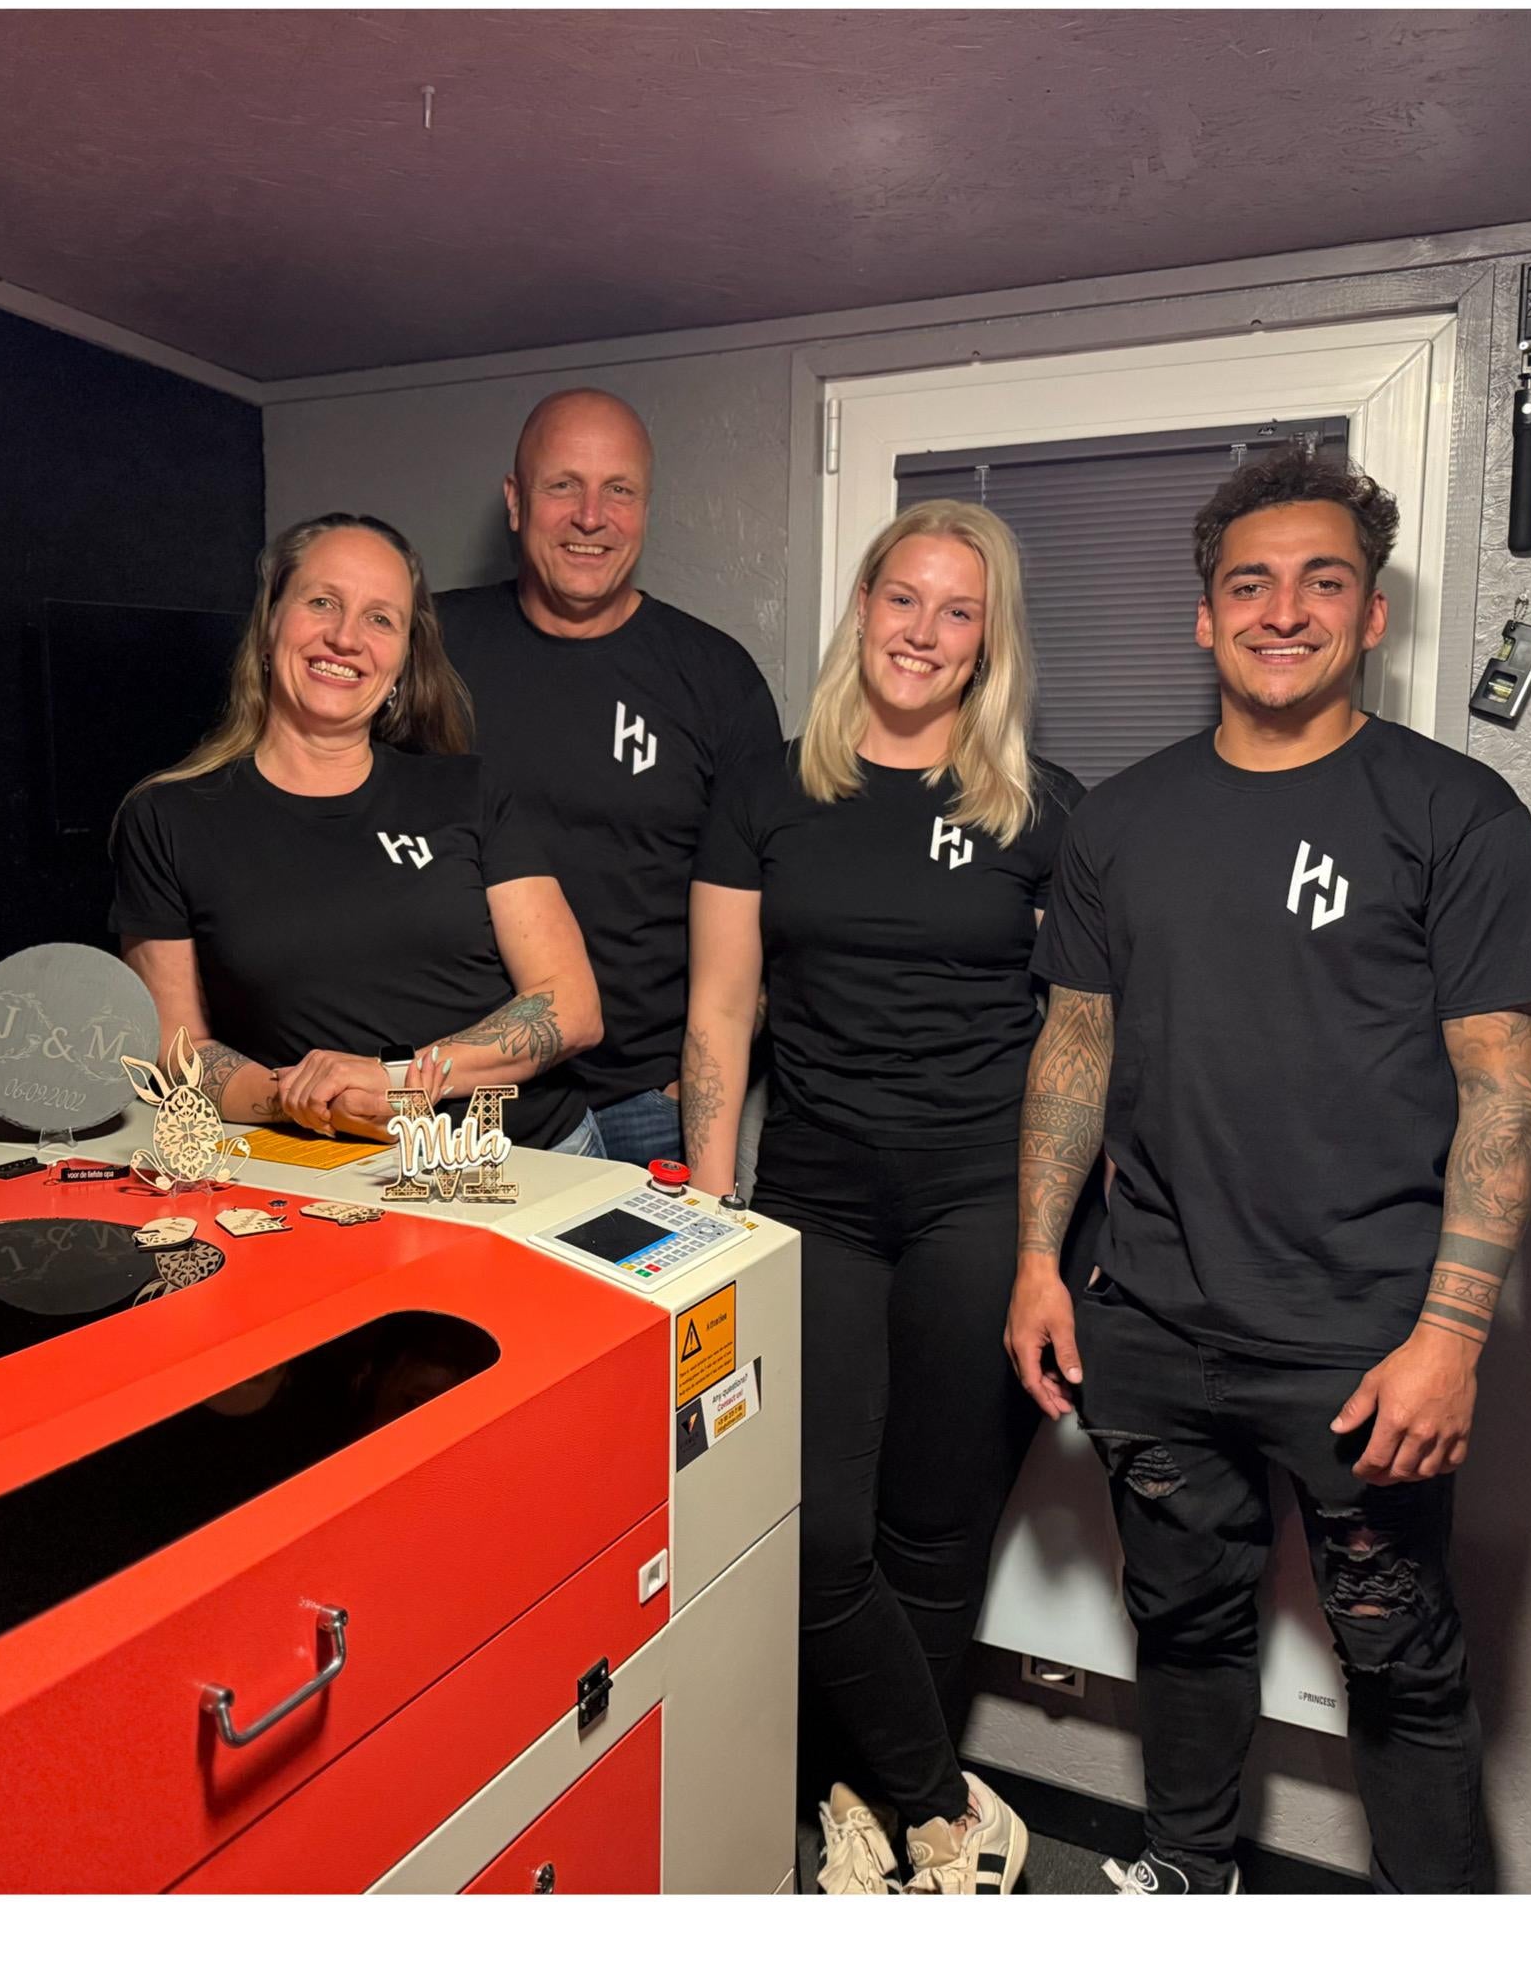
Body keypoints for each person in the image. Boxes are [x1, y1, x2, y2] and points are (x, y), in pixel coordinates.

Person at [1005, 447, 1531, 1895]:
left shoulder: (1455, 813)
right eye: (1249, 584)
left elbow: (1504, 1086)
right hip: (1151, 1323)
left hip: (1366, 1345)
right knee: (1184, 1627)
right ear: (1205, 616)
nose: (1283, 610)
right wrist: (1036, 1263)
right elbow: (1075, 1046)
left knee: (1400, 1663)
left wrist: (1451, 1337)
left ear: (1370, 615)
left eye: (1323, 582)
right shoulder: (1120, 821)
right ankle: (1189, 1874)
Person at [683, 499, 1090, 1896]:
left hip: (981, 1199)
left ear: (988, 640)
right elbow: (720, 1010)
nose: (924, 630)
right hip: (817, 1198)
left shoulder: (1040, 808)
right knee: (812, 1535)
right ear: (862, 607)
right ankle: (944, 1807)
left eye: (957, 610)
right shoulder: (766, 788)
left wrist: (1050, 1241)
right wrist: (713, 1207)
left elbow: (1082, 1038)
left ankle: (868, 1813)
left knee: (934, 1533)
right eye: (903, 598)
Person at [111, 512, 601, 1154]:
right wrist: (306, 1101)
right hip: (321, 1172)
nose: (345, 638)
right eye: (322, 602)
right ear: (268, 626)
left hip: (531, 1158)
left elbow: (571, 1006)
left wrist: (395, 1080)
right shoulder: (167, 817)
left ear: (402, 662)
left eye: (380, 619)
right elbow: (179, 1049)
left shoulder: (468, 792)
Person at [434, 389, 782, 1167]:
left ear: (645, 508)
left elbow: (770, 915)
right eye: (563, 485)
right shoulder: (430, 649)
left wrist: (689, 1089)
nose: (591, 517)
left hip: (646, 1108)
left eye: (618, 490)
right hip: (461, 1103)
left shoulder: (716, 678)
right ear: (516, 502)